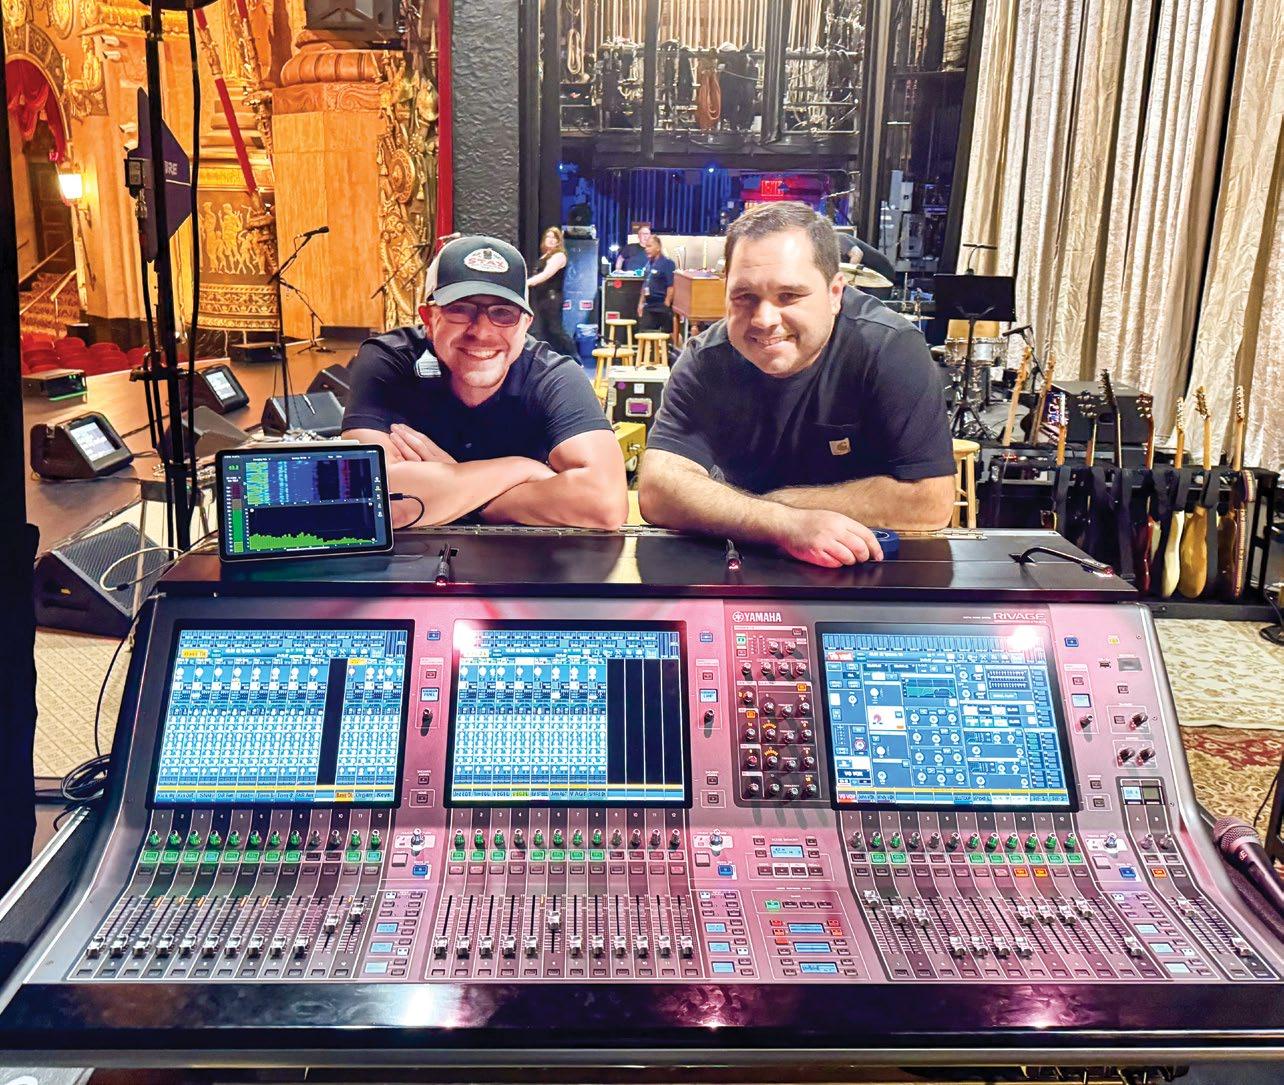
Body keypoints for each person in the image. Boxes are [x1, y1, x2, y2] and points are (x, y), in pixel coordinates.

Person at [638, 202, 954, 567]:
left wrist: (782, 507)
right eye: (745, 297)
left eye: (789, 296)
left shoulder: (888, 347)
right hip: (746, 561)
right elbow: (658, 489)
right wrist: (783, 524)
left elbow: (930, 502)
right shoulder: (706, 359)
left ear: (835, 293)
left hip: (869, 567)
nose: (764, 319)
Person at [342, 235, 627, 530]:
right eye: (460, 309)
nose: (481, 331)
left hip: (526, 557)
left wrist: (457, 491)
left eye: (503, 313)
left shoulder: (553, 376)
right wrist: (522, 469)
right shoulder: (389, 361)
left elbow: (604, 504)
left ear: (525, 324)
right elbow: (368, 499)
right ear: (429, 318)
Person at [526, 226, 580, 358]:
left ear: (558, 241)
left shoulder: (559, 256)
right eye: (548, 237)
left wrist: (527, 283)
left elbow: (546, 274)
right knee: (543, 330)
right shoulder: (545, 256)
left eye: (554, 238)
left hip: (552, 297)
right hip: (541, 296)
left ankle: (574, 357)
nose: (550, 240)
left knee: (555, 329)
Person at [636, 233, 676, 333]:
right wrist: (641, 303)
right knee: (644, 333)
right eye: (646, 247)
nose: (646, 249)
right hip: (649, 305)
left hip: (662, 305)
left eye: (649, 246)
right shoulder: (648, 264)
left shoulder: (667, 263)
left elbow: (671, 286)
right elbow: (645, 284)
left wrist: (667, 304)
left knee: (668, 335)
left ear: (658, 248)